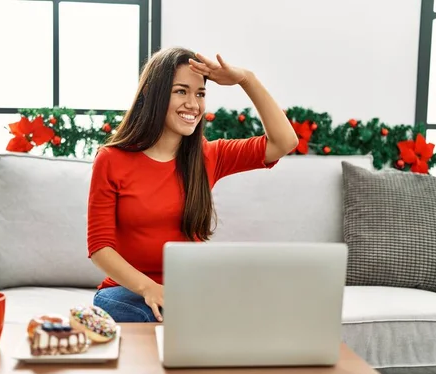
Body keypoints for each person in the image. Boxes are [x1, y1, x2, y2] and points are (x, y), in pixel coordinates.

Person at [87, 47, 298, 323]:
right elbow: (100, 247)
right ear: (153, 93)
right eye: (181, 91)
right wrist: (149, 288)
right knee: (149, 313)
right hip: (126, 293)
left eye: (200, 94)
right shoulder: (111, 159)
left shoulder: (209, 156)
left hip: (189, 292)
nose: (193, 104)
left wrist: (246, 79)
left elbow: (284, 142)